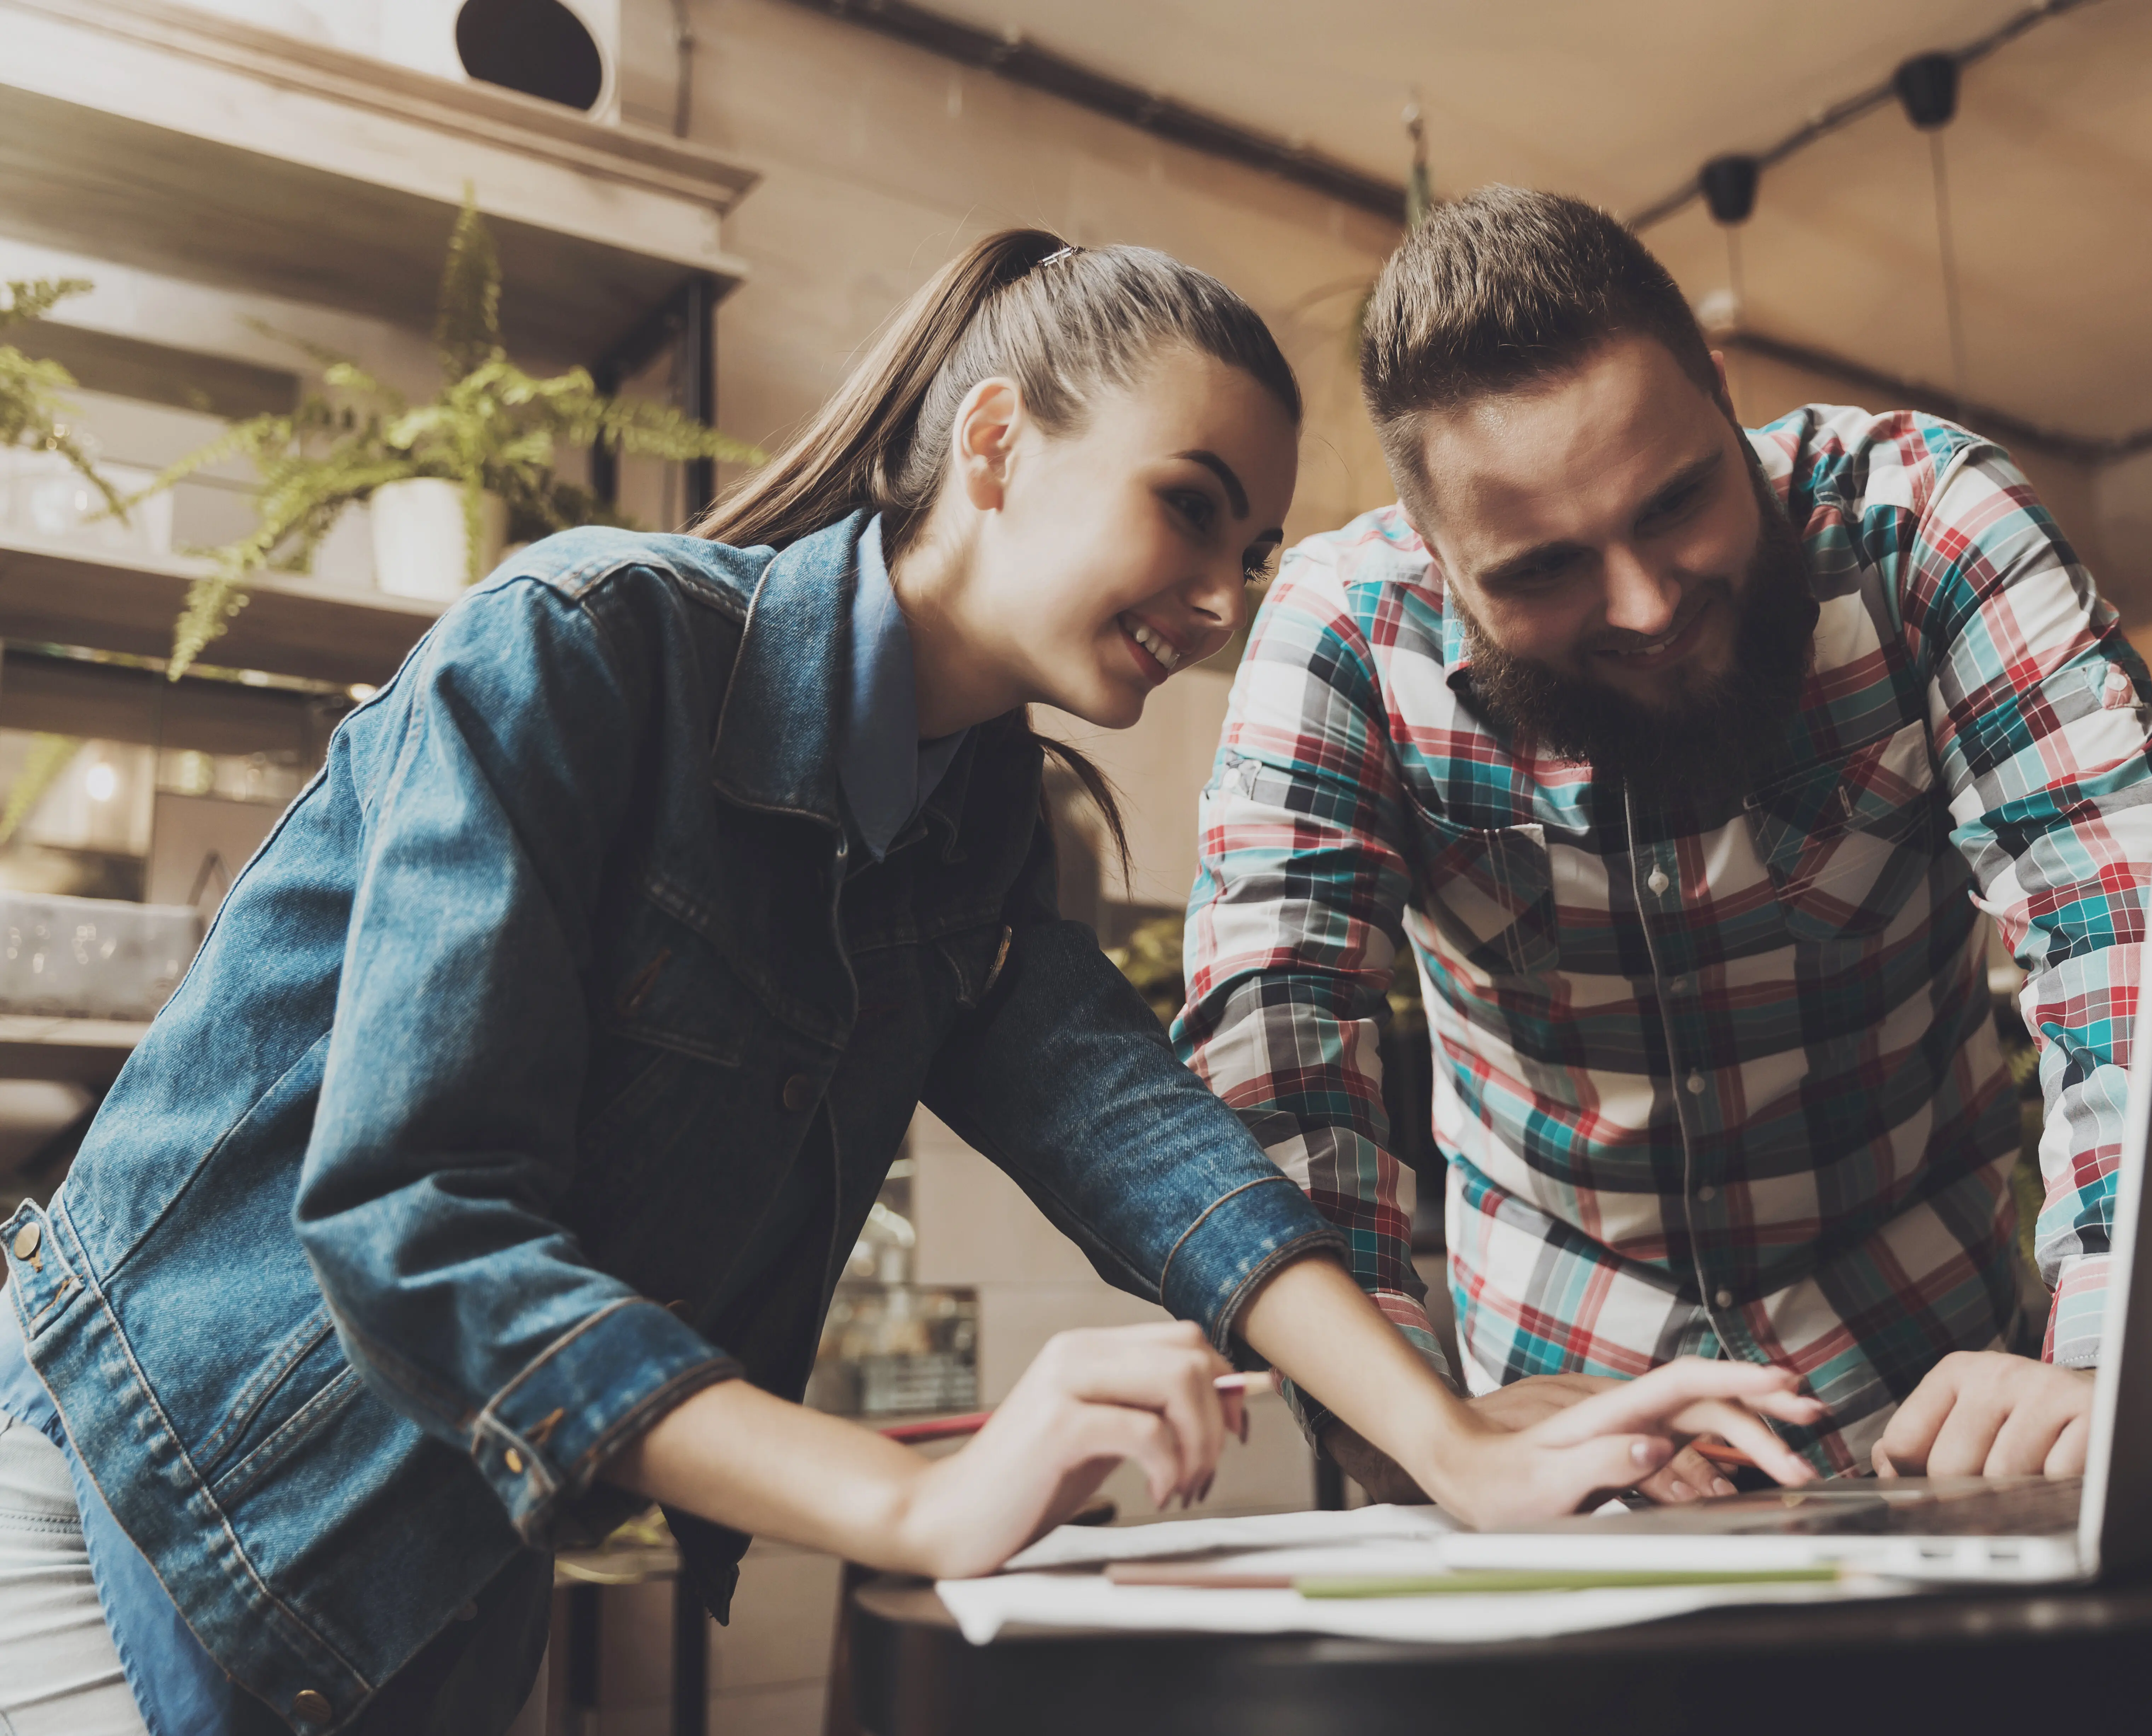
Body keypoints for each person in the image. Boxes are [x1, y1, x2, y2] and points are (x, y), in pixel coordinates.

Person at [0, 231, 1816, 1736]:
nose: (1218, 594)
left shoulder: (972, 836)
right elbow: (416, 1219)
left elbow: (1147, 1143)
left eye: (1250, 550)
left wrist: (1439, 1430)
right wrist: (907, 1494)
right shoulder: (583, 650)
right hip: (139, 1472)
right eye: (1188, 510)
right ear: (1001, 444)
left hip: (431, 1563)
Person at [1178, 187, 2152, 1505]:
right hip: (1553, 1427)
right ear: (1433, 556)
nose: (1649, 606)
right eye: (1542, 571)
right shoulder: (1343, 635)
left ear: (1723, 401)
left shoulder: (1929, 528)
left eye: (1675, 504)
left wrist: (2111, 1367)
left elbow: (2129, 929)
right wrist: (1411, 1428)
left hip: (1953, 1407)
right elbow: (1276, 1053)